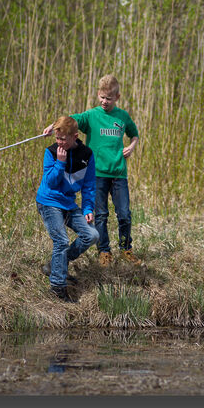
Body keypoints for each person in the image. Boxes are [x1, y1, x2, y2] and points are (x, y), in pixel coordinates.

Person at [43, 74, 141, 267]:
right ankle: (104, 251)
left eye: (109, 98)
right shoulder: (91, 116)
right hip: (97, 174)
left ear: (117, 97)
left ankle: (126, 249)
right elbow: (71, 121)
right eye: (102, 97)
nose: (105, 101)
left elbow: (134, 134)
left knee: (124, 214)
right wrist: (53, 126)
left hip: (118, 173)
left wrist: (132, 146)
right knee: (101, 215)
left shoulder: (122, 117)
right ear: (98, 95)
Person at [36, 116, 100, 301]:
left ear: (75, 136)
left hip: (68, 204)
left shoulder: (86, 155)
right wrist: (60, 163)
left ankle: (56, 264)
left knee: (92, 235)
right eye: (57, 138)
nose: (59, 142)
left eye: (63, 139)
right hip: (49, 201)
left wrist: (88, 209)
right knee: (62, 241)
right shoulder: (51, 152)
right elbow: (50, 182)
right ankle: (57, 288)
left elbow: (89, 185)